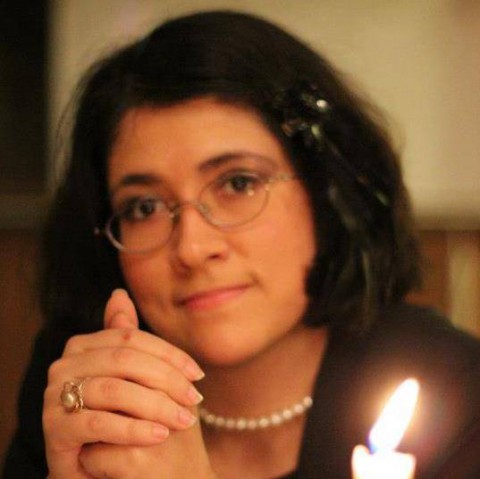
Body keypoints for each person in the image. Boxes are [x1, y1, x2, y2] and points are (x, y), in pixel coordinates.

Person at [3, 10, 480, 479]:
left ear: (326, 192)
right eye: (144, 207)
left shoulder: (456, 393)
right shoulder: (88, 386)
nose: (192, 249)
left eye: (238, 184)